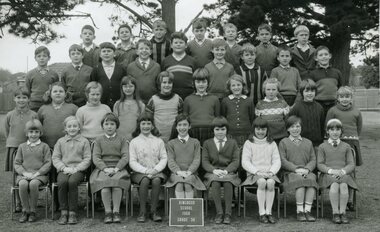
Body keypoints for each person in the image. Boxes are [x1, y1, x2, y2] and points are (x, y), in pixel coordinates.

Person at [325, 86, 363, 210]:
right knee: (338, 169)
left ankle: (349, 200)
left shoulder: (356, 111)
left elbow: (359, 128)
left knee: (350, 171)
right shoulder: (333, 110)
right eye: (342, 96)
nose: (345, 99)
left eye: (347, 96)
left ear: (351, 98)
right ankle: (337, 197)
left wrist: (353, 137)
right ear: (338, 98)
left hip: (352, 144)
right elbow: (328, 125)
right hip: (337, 142)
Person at [90, 113, 130, 223]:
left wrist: (117, 168)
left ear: (116, 126)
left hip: (118, 168)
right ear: (102, 126)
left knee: (117, 184)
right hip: (103, 169)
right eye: (106, 124)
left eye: (112, 124)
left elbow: (125, 156)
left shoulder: (122, 140)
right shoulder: (98, 140)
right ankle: (108, 212)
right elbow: (96, 157)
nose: (109, 126)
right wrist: (105, 168)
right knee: (105, 186)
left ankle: (116, 212)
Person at [52, 116, 91, 225]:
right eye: (69, 126)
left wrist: (77, 169)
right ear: (65, 128)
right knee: (62, 182)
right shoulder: (60, 141)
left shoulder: (84, 141)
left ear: (79, 127)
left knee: (72, 182)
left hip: (78, 170)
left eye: (75, 126)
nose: (72, 128)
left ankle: (73, 212)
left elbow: (87, 158)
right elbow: (55, 158)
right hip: (64, 169)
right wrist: (64, 168)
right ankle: (64, 211)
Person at [317, 119, 358, 224]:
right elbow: (320, 164)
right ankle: (335, 213)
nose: (335, 132)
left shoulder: (346, 146)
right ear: (327, 131)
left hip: (343, 174)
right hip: (328, 174)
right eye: (332, 129)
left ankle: (343, 212)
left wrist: (343, 171)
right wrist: (331, 171)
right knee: (335, 185)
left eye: (337, 129)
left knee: (343, 186)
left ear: (341, 131)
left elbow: (351, 164)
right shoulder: (322, 146)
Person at [129, 112, 167, 223]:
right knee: (145, 180)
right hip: (139, 172)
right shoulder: (134, 142)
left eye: (148, 123)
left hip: (156, 171)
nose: (146, 126)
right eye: (143, 123)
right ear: (139, 125)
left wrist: (155, 170)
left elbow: (164, 158)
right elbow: (132, 161)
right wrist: (145, 171)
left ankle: (153, 211)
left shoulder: (159, 141)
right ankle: (142, 212)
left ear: (153, 125)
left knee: (156, 180)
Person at [241, 117, 281, 224]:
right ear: (253, 129)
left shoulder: (272, 143)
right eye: (258, 129)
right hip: (254, 173)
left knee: (271, 182)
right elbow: (245, 162)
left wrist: (271, 172)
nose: (260, 132)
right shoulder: (249, 143)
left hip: (269, 172)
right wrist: (256, 172)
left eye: (263, 129)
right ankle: (262, 213)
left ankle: (269, 212)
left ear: (267, 130)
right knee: (262, 182)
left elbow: (277, 160)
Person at [202, 116, 240, 225]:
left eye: (223, 129)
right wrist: (214, 170)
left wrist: (227, 171)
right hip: (213, 172)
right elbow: (205, 161)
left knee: (228, 182)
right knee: (215, 182)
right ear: (213, 130)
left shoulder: (232, 143)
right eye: (217, 129)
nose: (220, 132)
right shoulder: (207, 143)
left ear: (227, 130)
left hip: (228, 172)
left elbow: (236, 160)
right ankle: (219, 212)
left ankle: (228, 213)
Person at [279, 116, 318, 222]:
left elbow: (313, 159)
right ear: (287, 129)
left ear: (301, 128)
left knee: (310, 181)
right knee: (300, 183)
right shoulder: (283, 142)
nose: (295, 129)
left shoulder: (308, 142)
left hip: (306, 171)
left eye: (297, 126)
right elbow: (283, 161)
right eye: (292, 127)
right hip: (290, 173)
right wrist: (296, 169)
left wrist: (307, 169)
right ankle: (300, 211)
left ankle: (307, 210)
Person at [4, 88, 37, 212]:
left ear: (28, 99)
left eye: (24, 97)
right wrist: (12, 142)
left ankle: (27, 200)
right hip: (14, 147)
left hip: (29, 147)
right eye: (18, 97)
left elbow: (36, 129)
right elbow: (7, 131)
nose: (21, 100)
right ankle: (18, 202)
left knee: (28, 173)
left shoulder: (33, 114)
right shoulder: (9, 115)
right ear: (14, 99)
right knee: (16, 175)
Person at [14, 119, 51, 223]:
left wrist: (37, 173)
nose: (33, 135)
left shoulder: (44, 146)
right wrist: (24, 173)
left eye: (36, 132)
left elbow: (48, 163)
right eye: (31, 132)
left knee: (33, 184)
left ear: (41, 133)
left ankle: (33, 211)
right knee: (23, 184)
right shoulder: (22, 147)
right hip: (24, 174)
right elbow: (17, 163)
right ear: (26, 133)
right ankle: (25, 210)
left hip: (39, 175)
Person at [165, 114, 206, 198]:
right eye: (179, 125)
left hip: (191, 173)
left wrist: (189, 172)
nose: (182, 127)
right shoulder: (171, 143)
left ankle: (189, 209)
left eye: (185, 125)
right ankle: (180, 210)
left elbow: (196, 159)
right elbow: (171, 160)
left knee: (187, 183)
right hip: (176, 173)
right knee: (179, 183)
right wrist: (179, 172)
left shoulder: (195, 142)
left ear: (189, 126)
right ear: (176, 127)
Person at [183, 68, 220, 145]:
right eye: (198, 82)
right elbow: (185, 119)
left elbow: (217, 118)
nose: (201, 84)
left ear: (208, 83)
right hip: (193, 131)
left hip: (210, 132)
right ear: (194, 83)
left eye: (204, 82)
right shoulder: (188, 99)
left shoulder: (214, 99)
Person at [38, 82, 78, 149]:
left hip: (68, 146)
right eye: (55, 91)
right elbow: (38, 125)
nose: (58, 93)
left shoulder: (73, 108)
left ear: (65, 94)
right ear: (50, 94)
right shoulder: (43, 109)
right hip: (47, 146)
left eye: (61, 91)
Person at [146, 71, 183, 143]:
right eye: (164, 82)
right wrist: (154, 131)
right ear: (159, 84)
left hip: (174, 138)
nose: (167, 85)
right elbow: (148, 119)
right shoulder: (153, 100)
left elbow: (181, 119)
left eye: (169, 83)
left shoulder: (178, 99)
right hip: (157, 138)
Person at [289, 79, 325, 148]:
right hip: (300, 143)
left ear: (315, 92)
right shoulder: (297, 107)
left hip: (316, 143)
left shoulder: (319, 107)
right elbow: (290, 124)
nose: (310, 93)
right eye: (307, 91)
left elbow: (322, 126)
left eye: (312, 91)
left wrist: (321, 140)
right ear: (302, 92)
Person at [90, 42, 127, 109]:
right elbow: (92, 85)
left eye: (109, 51)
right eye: (104, 51)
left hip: (119, 104)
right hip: (101, 104)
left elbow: (124, 85)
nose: (106, 53)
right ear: (100, 55)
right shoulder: (96, 69)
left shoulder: (121, 69)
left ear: (114, 54)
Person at [161, 32, 197, 100]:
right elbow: (161, 79)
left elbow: (196, 79)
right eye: (176, 43)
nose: (178, 45)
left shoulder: (192, 61)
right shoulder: (165, 61)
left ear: (186, 45)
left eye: (181, 43)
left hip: (189, 96)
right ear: (171, 45)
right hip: (170, 95)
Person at [221, 74, 254, 147]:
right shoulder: (225, 101)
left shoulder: (248, 101)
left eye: (238, 85)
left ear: (243, 86)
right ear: (229, 88)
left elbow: (252, 117)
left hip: (246, 133)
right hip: (230, 133)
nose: (236, 87)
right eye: (233, 85)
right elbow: (223, 117)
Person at [310, 45, 343, 116]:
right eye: (321, 55)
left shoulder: (337, 72)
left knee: (333, 125)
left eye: (326, 54)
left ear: (330, 56)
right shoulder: (313, 74)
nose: (324, 57)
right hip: (318, 104)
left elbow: (341, 88)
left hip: (334, 104)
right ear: (316, 58)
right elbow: (311, 90)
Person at [25, 46, 59, 111]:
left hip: (49, 104)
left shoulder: (54, 74)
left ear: (49, 58)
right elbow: (27, 91)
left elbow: (56, 89)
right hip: (33, 105)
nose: (42, 58)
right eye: (39, 56)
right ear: (35, 58)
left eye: (44, 56)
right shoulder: (30, 74)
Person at [255, 78, 289, 144]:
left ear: (277, 91)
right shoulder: (260, 104)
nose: (271, 92)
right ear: (264, 91)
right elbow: (257, 122)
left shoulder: (283, 103)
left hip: (281, 137)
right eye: (268, 89)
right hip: (266, 138)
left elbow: (287, 120)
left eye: (273, 89)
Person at [127, 38, 160, 104]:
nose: (144, 51)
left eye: (147, 49)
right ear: (137, 51)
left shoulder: (156, 66)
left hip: (153, 100)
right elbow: (129, 84)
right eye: (141, 49)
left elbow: (158, 84)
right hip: (136, 100)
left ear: (150, 52)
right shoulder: (131, 66)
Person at [113, 76, 145, 141]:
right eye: (125, 86)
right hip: (120, 139)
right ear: (121, 88)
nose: (128, 88)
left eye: (131, 86)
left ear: (135, 87)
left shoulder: (141, 105)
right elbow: (114, 123)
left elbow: (143, 123)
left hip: (136, 138)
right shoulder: (117, 104)